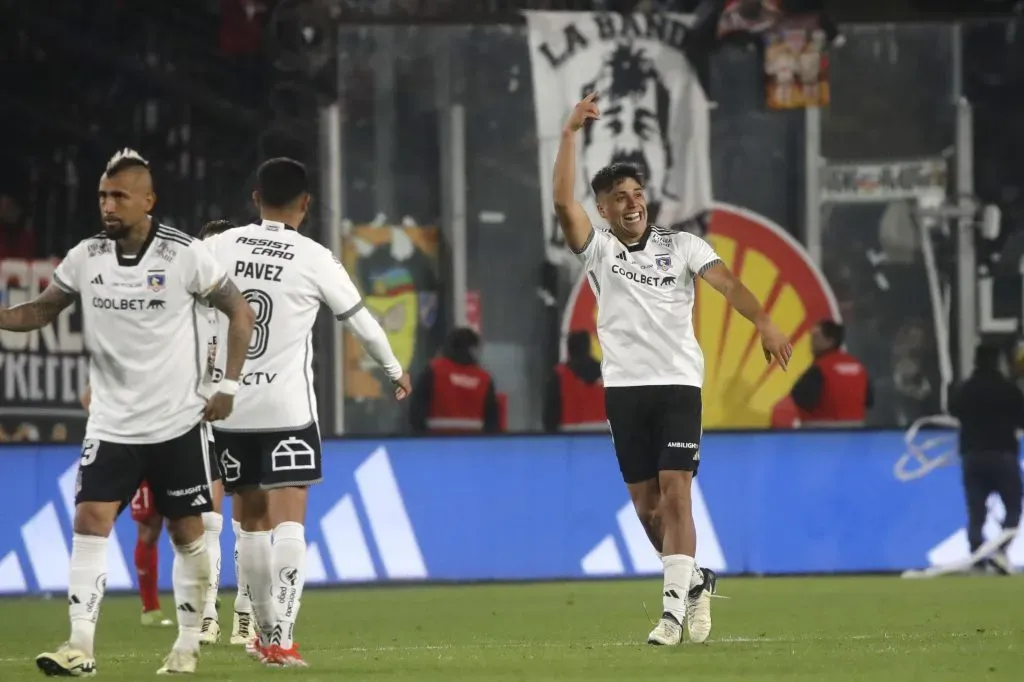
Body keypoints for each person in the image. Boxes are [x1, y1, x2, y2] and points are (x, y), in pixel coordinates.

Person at [0, 148, 256, 676]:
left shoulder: (185, 255)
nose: (108, 205)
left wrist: (229, 385)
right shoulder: (86, 256)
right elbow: (41, 311)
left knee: (186, 533)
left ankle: (187, 644)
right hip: (112, 422)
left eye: (119, 196)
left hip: (175, 423)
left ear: (148, 200)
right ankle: (79, 646)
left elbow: (241, 312)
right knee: (89, 519)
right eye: (102, 196)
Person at [554, 95, 792, 646]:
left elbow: (728, 283)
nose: (633, 203)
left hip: (678, 385)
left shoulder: (682, 245)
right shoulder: (599, 250)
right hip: (624, 390)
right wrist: (568, 132)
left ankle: (670, 616)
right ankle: (697, 582)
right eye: (620, 197)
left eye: (638, 194)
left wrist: (763, 321)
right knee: (648, 511)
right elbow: (563, 203)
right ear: (604, 209)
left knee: (676, 492)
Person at [204, 158, 411, 667]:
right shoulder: (315, 257)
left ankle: (260, 633)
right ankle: (282, 637)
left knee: (250, 522)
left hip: (231, 407)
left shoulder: (216, 247)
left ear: (256, 198)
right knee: (290, 522)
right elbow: (362, 322)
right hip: (287, 410)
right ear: (306, 203)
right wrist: (393, 369)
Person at [196, 218, 259, 646]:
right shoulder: (188, 307)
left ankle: (244, 612)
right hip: (204, 420)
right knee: (208, 521)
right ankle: (207, 614)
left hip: (248, 418)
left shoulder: (248, 309)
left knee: (248, 524)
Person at [949, 344, 1024, 575]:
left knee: (976, 511)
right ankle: (1001, 551)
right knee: (1013, 507)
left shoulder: (965, 389)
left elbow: (953, 411)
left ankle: (977, 554)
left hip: (973, 455)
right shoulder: (1009, 389)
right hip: (1003, 453)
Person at [409, 327, 500, 434]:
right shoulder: (484, 380)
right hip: (473, 440)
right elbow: (492, 422)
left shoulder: (434, 371)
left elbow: (416, 411)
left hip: (436, 439)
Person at [789, 320, 872, 427]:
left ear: (830, 341)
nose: (811, 342)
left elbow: (800, 398)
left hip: (822, 432)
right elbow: (869, 401)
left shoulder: (820, 368)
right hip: (855, 432)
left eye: (816, 337)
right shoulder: (859, 367)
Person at [543, 330, 606, 433]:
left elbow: (549, 421)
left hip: (569, 440)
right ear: (589, 348)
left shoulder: (559, 377)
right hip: (604, 440)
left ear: (569, 350)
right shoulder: (607, 374)